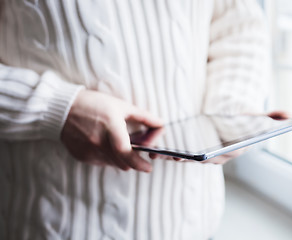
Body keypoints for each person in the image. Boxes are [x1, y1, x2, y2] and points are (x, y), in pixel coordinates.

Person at [0, 0, 269, 239]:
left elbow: (238, 24)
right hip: (55, 227)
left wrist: (230, 110)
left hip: (199, 223)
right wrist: (58, 109)